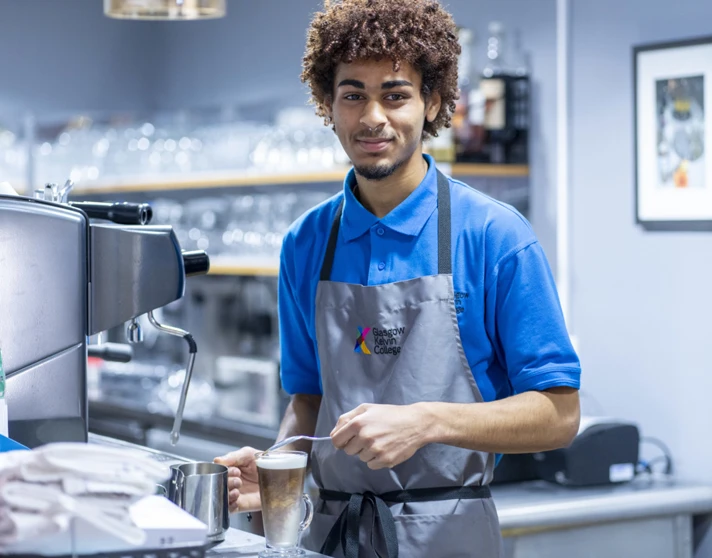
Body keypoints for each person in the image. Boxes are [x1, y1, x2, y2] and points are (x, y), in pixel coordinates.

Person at [215, 1, 581, 556]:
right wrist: (274, 468)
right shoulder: (305, 244)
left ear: (432, 102)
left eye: (395, 94)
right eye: (353, 94)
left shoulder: (495, 236)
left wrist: (427, 421)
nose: (372, 118)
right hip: (331, 536)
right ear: (329, 105)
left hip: (449, 537)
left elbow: (560, 414)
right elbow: (310, 399)